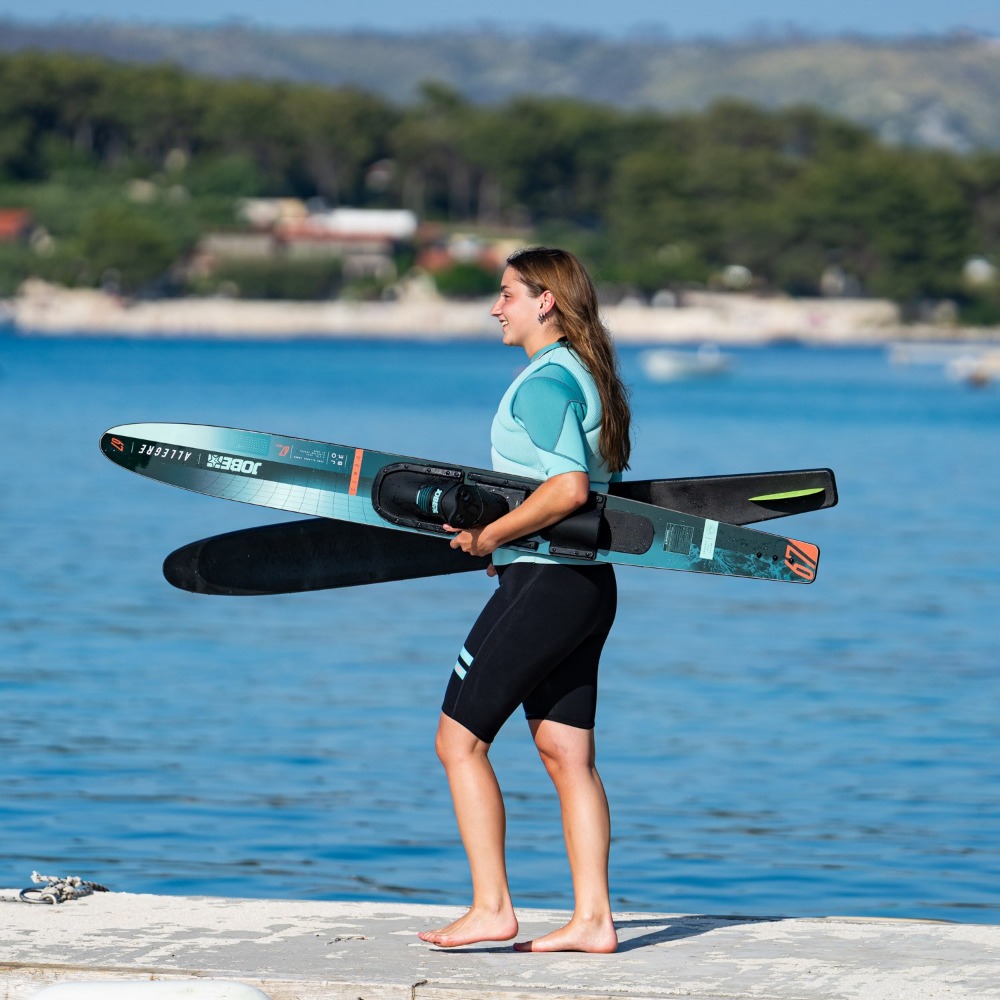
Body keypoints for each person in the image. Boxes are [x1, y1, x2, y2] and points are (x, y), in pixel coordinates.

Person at [417, 247, 632, 954]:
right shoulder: (585, 373)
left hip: (546, 584)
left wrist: (490, 537)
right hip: (586, 583)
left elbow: (567, 489)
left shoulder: (544, 383)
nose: (495, 308)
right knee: (567, 754)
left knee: (457, 742)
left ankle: (492, 908)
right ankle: (593, 920)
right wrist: (507, 545)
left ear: (545, 301)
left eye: (507, 294)